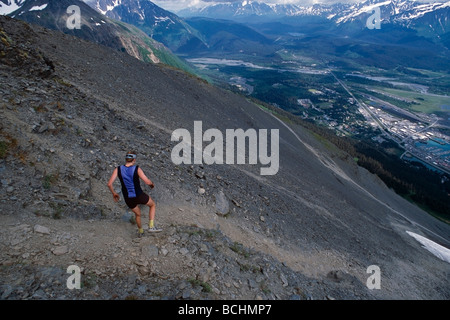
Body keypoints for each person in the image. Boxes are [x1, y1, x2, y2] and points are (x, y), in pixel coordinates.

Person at [107, 151, 162, 236]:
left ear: (126, 159)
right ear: (134, 160)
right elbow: (147, 182)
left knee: (138, 214)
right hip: (139, 195)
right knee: (152, 205)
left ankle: (141, 232)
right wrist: (152, 184)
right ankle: (151, 226)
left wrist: (114, 193)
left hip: (128, 198)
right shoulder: (137, 169)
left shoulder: (118, 169)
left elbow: (109, 184)